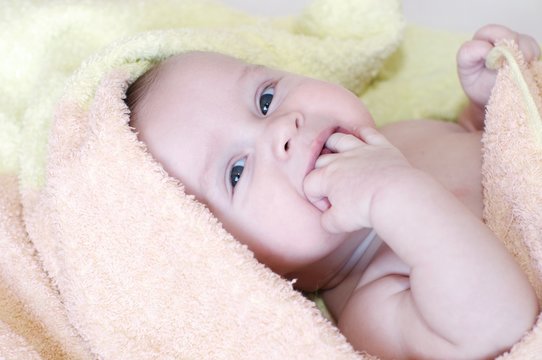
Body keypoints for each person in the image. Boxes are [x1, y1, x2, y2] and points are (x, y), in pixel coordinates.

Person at [126, 24, 540, 359]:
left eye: (266, 98)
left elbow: (491, 145)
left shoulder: (398, 136)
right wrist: (390, 193)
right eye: (236, 172)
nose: (278, 130)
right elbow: (500, 326)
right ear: (238, 262)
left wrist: (494, 104)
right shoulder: (371, 307)